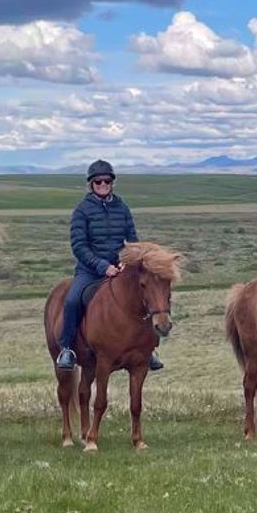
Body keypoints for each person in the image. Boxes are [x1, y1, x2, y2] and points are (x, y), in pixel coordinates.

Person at [55, 159, 161, 372]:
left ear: (112, 183)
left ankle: (149, 349)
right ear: (91, 184)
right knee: (73, 300)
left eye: (106, 181)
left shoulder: (122, 208)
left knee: (147, 296)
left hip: (120, 268)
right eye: (98, 182)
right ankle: (67, 348)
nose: (103, 185)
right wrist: (102, 266)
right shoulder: (82, 211)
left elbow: (132, 241)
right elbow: (79, 245)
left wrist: (125, 261)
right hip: (89, 270)